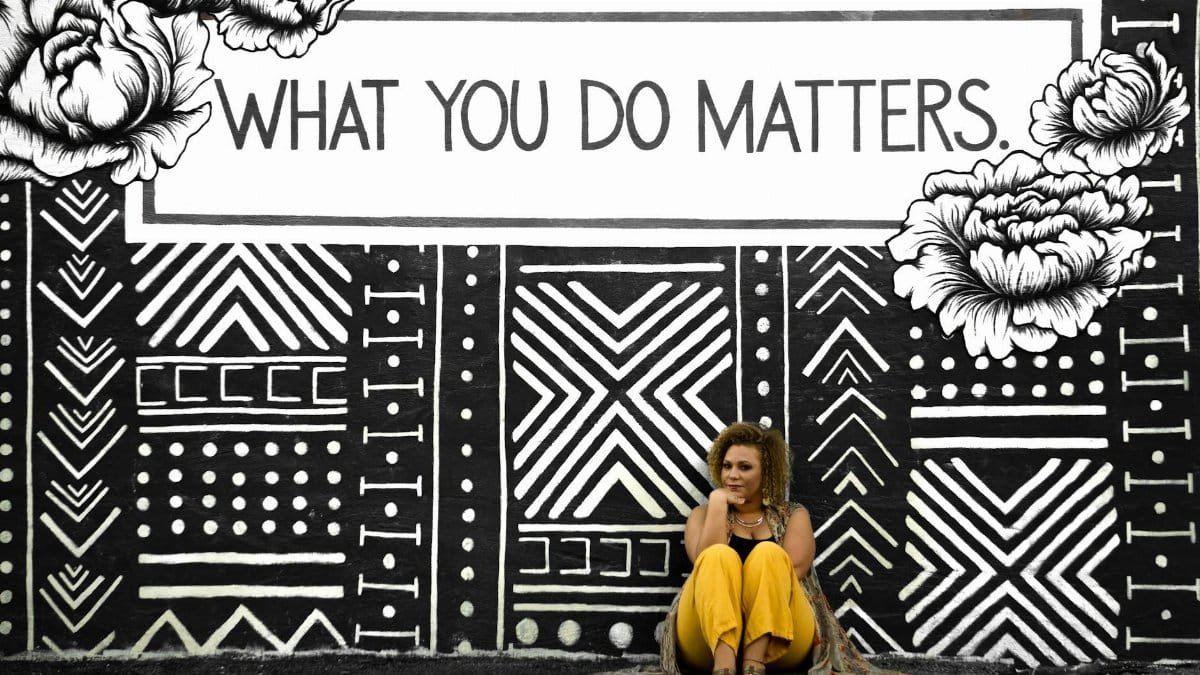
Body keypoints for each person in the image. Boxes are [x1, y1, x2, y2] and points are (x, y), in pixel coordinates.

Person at [659, 422, 896, 675]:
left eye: (745, 467)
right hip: (705, 639)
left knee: (769, 554)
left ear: (767, 472)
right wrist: (717, 503)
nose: (732, 475)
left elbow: (795, 570)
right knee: (717, 555)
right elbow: (702, 564)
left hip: (778, 640)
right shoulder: (702, 515)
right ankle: (724, 665)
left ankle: (754, 663)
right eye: (727, 466)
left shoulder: (794, 515)